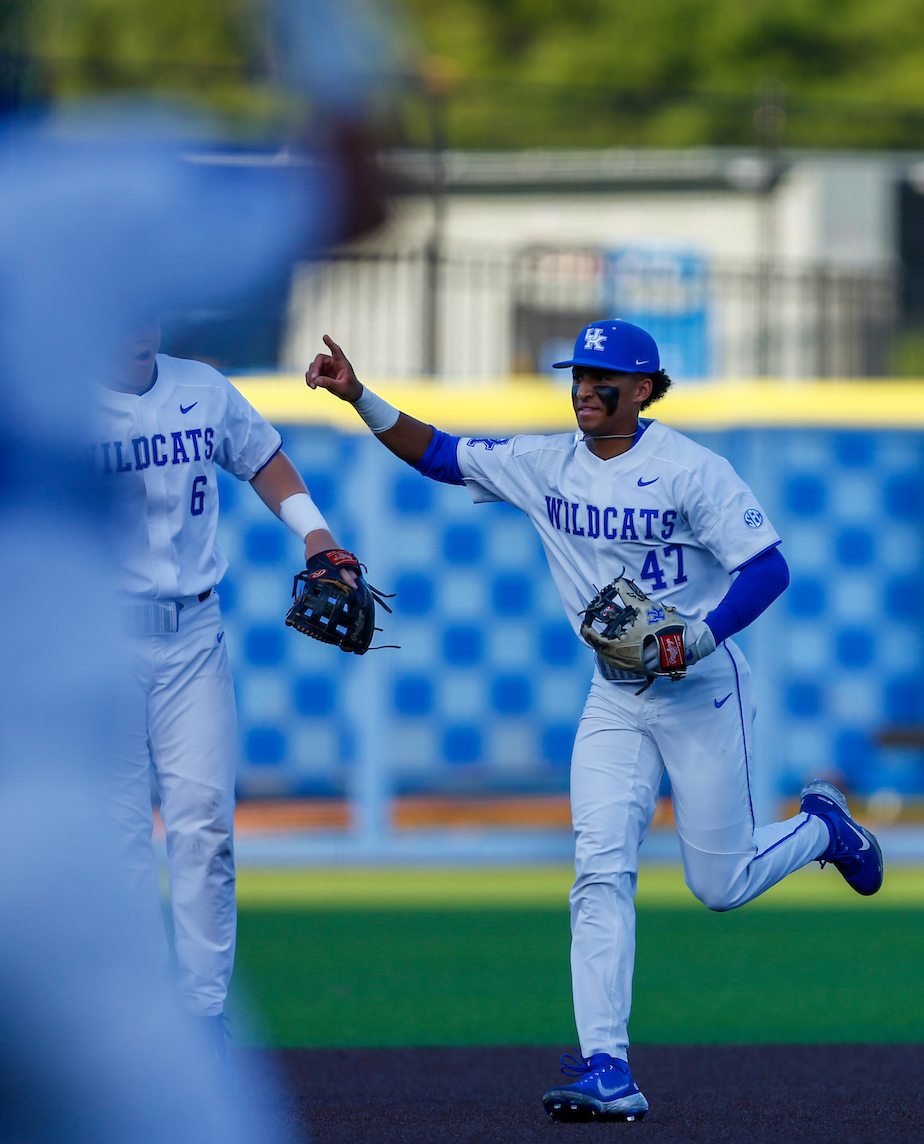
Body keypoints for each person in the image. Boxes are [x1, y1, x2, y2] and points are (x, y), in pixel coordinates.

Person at [306, 321, 884, 1123]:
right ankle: (606, 1066)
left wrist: (699, 635)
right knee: (599, 868)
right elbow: (441, 455)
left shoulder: (691, 470)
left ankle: (825, 828)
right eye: (578, 374)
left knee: (719, 885)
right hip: (613, 698)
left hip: (703, 691)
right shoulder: (546, 464)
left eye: (602, 377)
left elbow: (769, 567)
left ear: (644, 389)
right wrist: (358, 396)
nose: (584, 388)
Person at [96, 319, 357, 1070]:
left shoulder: (200, 389)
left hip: (192, 632)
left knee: (204, 827)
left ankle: (202, 1018)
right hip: (101, 638)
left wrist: (317, 536)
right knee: (116, 843)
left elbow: (264, 456)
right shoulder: (57, 403)